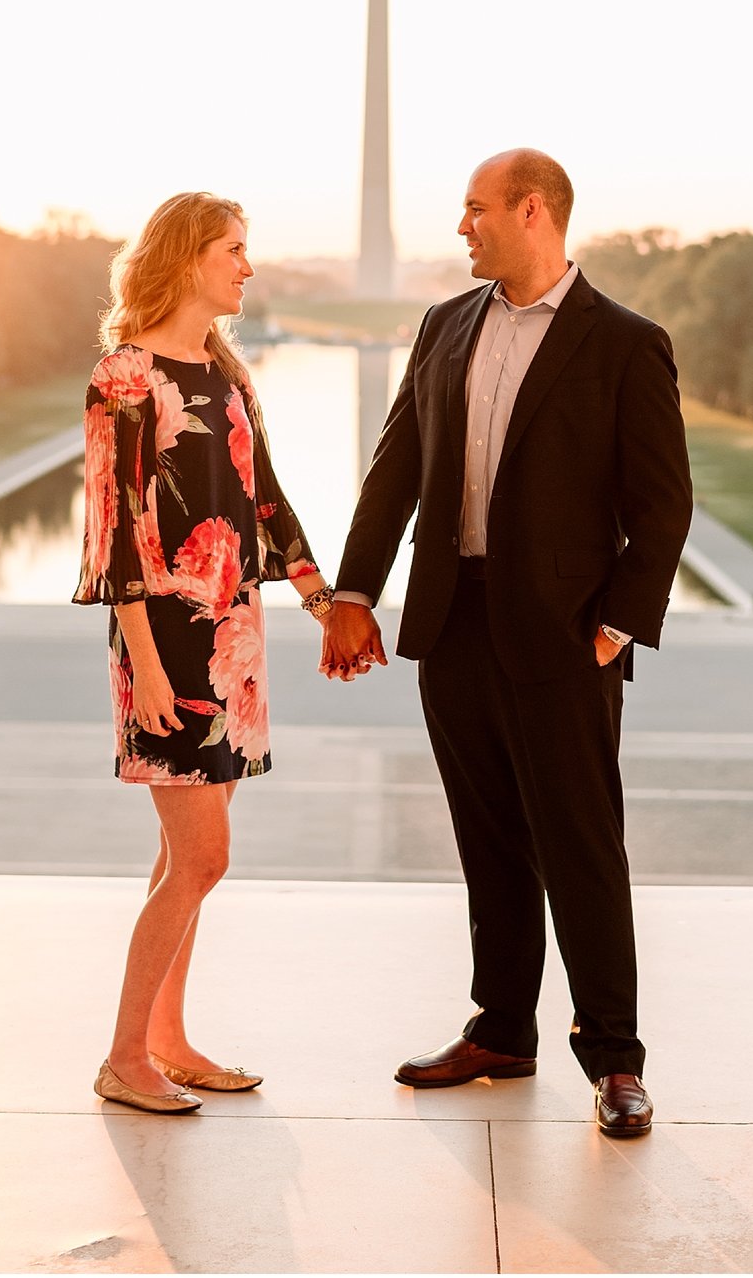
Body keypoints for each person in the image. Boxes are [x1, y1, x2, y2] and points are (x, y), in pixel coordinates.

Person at [319, 148, 691, 1139]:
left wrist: (614, 626)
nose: (460, 226)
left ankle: (615, 1058)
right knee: (486, 841)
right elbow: (395, 466)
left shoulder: (623, 342)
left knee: (579, 844)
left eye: (475, 209)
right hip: (453, 623)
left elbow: (661, 506)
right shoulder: (445, 325)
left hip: (566, 637)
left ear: (533, 212)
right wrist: (355, 590)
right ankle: (501, 1028)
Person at [71, 192, 345, 1114]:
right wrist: (144, 665)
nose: (247, 266)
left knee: (182, 857)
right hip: (164, 642)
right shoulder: (124, 377)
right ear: (188, 258)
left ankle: (168, 1040)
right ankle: (122, 1056)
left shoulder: (226, 372)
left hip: (233, 633)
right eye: (233, 250)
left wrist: (321, 599)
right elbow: (115, 535)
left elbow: (265, 497)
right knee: (202, 856)